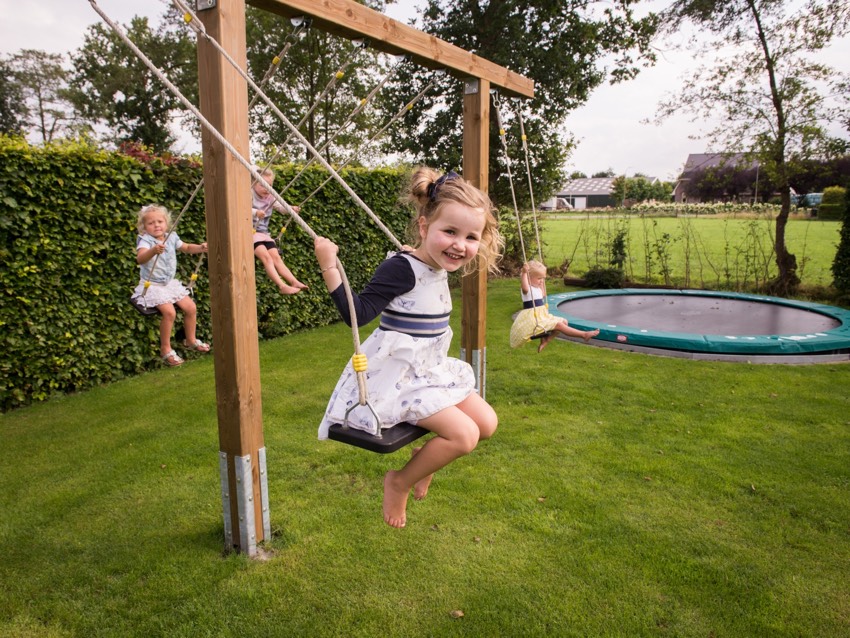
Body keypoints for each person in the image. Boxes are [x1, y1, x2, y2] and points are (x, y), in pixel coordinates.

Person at [313, 167, 504, 529]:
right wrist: (328, 264)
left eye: (470, 236)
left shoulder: (435, 261)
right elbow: (358, 313)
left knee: (487, 423)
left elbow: (422, 269)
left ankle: (424, 459)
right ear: (423, 228)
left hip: (429, 371)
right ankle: (398, 481)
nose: (460, 245)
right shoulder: (401, 268)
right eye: (449, 232)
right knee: (465, 436)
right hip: (399, 377)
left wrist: (422, 252)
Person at [131, 204, 210, 367]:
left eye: (160, 221)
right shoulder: (145, 240)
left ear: (166, 223)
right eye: (151, 223)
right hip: (152, 286)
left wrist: (201, 247)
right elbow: (140, 259)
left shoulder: (171, 237)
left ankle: (190, 340)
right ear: (144, 227)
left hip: (169, 284)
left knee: (191, 308)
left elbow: (187, 247)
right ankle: (165, 349)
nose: (156, 225)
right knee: (169, 313)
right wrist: (153, 250)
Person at [509, 260, 599, 353]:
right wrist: (524, 273)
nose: (541, 281)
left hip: (541, 316)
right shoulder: (528, 289)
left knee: (564, 321)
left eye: (543, 278)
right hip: (533, 319)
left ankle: (546, 340)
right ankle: (584, 335)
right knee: (559, 325)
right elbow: (524, 288)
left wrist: (542, 281)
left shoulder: (537, 288)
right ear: (528, 277)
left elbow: (543, 295)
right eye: (539, 278)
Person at [251, 167, 308, 295]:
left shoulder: (270, 196)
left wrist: (290, 208)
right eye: (262, 185)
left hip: (264, 234)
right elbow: (242, 209)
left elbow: (281, 208)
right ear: (253, 183)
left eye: (269, 185)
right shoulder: (249, 194)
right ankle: (281, 285)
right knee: (267, 258)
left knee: (277, 258)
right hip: (251, 233)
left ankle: (293, 281)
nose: (267, 188)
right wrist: (256, 212)